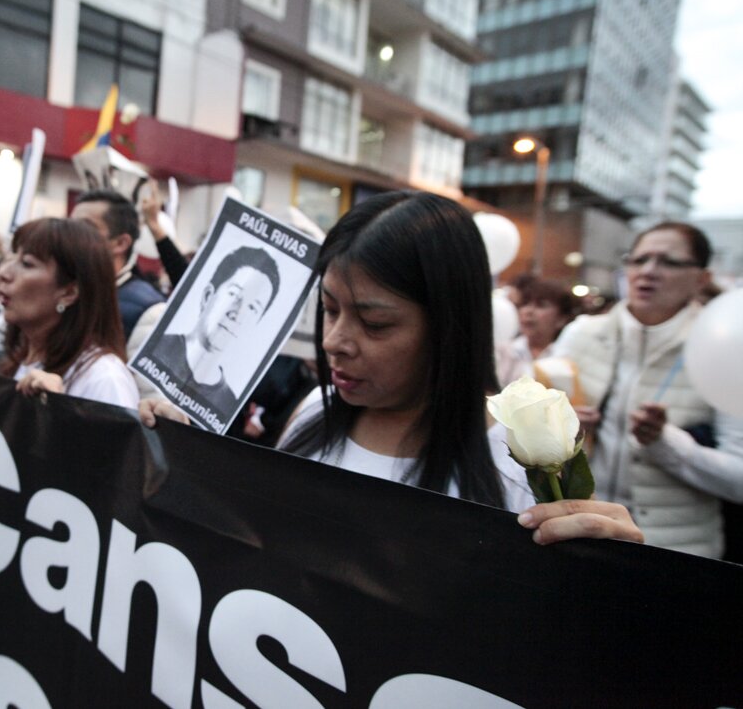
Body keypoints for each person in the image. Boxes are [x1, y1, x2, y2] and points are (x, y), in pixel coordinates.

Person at [143, 191, 643, 546]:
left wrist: (602, 575)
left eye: (375, 323)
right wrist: (187, 455)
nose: (336, 342)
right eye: (330, 309)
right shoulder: (315, 411)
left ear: (450, 327)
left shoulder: (517, 469)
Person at [552, 221, 743, 558]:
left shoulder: (725, 348)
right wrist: (562, 431)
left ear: (701, 278)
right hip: (579, 535)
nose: (649, 271)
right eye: (639, 259)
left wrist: (666, 443)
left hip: (675, 553)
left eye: (669, 262)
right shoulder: (580, 334)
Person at [0, 217, 138, 409]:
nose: (4, 273)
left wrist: (59, 410)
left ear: (69, 292)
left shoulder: (103, 377)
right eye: (12, 256)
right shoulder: (22, 359)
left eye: (27, 264)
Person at [155, 245, 280, 415]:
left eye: (252, 308)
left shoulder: (229, 404)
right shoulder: (156, 350)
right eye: (234, 295)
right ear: (207, 295)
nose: (237, 314)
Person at [71, 188, 166, 340]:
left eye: (84, 228)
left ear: (121, 243)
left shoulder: (149, 311)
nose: (68, 235)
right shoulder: (62, 290)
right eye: (69, 226)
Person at [495, 277, 578, 389]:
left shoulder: (568, 357)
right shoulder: (502, 352)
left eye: (541, 305)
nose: (528, 311)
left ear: (561, 318)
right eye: (524, 304)